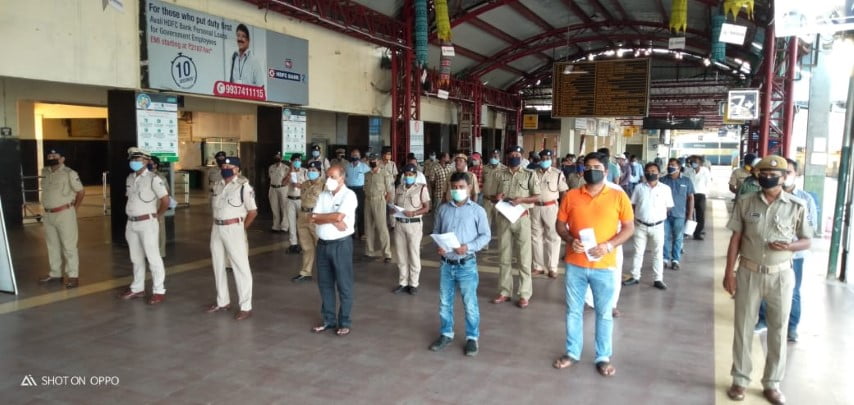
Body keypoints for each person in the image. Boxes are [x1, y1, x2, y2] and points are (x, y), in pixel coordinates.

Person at [723, 155, 812, 405]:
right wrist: (729, 272)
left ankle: (772, 383)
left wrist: (791, 245)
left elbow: (807, 239)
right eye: (762, 173)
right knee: (743, 328)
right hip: (749, 272)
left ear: (784, 178)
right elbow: (735, 239)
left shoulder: (797, 205)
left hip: (781, 275)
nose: (766, 176)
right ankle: (740, 380)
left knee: (778, 329)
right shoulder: (745, 202)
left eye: (772, 174)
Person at [554, 151, 634, 377]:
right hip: (575, 263)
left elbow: (629, 228)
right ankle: (572, 352)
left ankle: (602, 357)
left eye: (597, 167)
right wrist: (570, 239)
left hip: (605, 265)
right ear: (582, 170)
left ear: (606, 171)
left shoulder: (618, 196)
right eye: (588, 167)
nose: (592, 171)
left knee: (604, 313)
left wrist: (609, 246)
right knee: (573, 311)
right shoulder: (571, 196)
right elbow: (560, 226)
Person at [755, 158, 818, 343]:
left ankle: (791, 326)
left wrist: (789, 245)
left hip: (794, 256)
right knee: (764, 289)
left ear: (793, 175)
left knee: (793, 292)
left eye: (788, 172)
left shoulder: (805, 200)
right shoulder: (762, 196)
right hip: (767, 254)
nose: (771, 177)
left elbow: (810, 232)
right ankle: (763, 320)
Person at [428, 172, 491, 357]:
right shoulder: (443, 209)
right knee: (444, 302)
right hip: (446, 264)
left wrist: (469, 247)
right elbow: (436, 231)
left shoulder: (477, 211)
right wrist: (439, 245)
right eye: (454, 187)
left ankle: (472, 337)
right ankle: (446, 333)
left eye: (461, 187)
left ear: (469, 188)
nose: (457, 191)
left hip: (466, 264)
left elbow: (486, 235)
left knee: (470, 303)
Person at [484, 145, 541, 308]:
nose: (514, 156)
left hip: (522, 218)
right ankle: (504, 292)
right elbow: (490, 196)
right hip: (504, 218)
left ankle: (524, 294)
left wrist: (521, 200)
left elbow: (536, 197)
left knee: (524, 258)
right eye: (511, 154)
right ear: (507, 157)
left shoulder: (530, 174)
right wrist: (497, 197)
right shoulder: (498, 174)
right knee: (504, 257)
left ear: (522, 157)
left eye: (517, 154)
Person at [206, 157, 258, 321]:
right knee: (218, 264)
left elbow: (252, 211)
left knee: (240, 266)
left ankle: (245, 306)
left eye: (230, 166)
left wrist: (241, 229)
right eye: (224, 165)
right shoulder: (217, 185)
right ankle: (222, 301)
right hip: (217, 228)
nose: (226, 168)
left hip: (234, 228)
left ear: (238, 170)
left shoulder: (244, 187)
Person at [310, 166, 358, 337]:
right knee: (325, 284)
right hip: (322, 245)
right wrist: (332, 218)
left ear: (342, 178)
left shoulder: (349, 195)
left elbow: (339, 218)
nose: (329, 179)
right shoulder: (323, 195)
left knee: (344, 284)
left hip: (341, 245)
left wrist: (327, 218)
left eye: (333, 176)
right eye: (327, 176)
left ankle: (344, 321)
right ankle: (328, 320)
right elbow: (313, 217)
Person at [119, 147, 170, 305]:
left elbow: (165, 201)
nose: (135, 162)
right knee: (136, 257)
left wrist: (157, 215)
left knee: (153, 257)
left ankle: (158, 290)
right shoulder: (130, 178)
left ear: (147, 161)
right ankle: (137, 287)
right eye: (133, 160)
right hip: (131, 222)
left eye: (139, 159)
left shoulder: (154, 178)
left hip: (147, 222)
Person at [38, 148, 85, 289]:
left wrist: (75, 208)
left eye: (55, 155)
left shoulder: (70, 173)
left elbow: (81, 191)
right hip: (48, 214)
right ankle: (55, 273)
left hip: (65, 213)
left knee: (69, 246)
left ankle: (73, 276)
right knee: (52, 245)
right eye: (50, 155)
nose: (51, 157)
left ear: (62, 159)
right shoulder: (45, 171)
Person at [622, 163, 673, 290]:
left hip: (658, 227)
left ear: (659, 173)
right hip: (640, 225)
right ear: (644, 172)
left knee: (657, 253)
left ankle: (658, 279)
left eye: (653, 170)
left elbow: (669, 206)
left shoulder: (665, 189)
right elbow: (632, 205)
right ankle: (635, 276)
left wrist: (656, 216)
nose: (650, 173)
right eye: (648, 171)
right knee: (638, 252)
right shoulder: (639, 188)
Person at [392, 164, 431, 295]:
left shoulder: (421, 189)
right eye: (406, 174)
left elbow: (426, 207)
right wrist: (394, 209)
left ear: (415, 176)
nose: (408, 177)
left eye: (411, 175)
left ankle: (413, 283)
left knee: (413, 254)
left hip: (414, 224)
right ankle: (403, 282)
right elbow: (396, 205)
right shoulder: (399, 188)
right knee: (401, 255)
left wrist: (414, 213)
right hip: (399, 224)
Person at [531, 149, 569, 279]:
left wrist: (563, 210)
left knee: (553, 237)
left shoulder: (557, 174)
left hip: (551, 207)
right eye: (543, 158)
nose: (545, 160)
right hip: (535, 207)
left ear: (552, 159)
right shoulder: (532, 173)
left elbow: (564, 192)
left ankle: (552, 267)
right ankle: (538, 266)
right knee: (535, 237)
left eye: (548, 158)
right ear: (539, 159)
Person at [292, 160, 326, 283]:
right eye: (310, 170)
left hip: (316, 217)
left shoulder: (324, 185)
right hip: (302, 215)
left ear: (319, 172)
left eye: (314, 171)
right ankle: (306, 272)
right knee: (306, 246)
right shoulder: (305, 184)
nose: (311, 172)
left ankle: (326, 273)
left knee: (321, 246)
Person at [660, 158, 694, 270]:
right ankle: (665, 258)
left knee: (678, 238)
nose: (670, 166)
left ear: (679, 167)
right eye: (669, 164)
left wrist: (690, 216)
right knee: (664, 237)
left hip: (679, 214)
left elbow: (690, 198)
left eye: (673, 165)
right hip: (664, 214)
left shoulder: (686, 181)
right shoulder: (662, 180)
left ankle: (675, 259)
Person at [364, 154, 394, 263]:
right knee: (368, 227)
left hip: (379, 201)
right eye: (370, 160)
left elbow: (389, 191)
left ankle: (387, 253)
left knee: (382, 227)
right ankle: (369, 251)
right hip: (368, 201)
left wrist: (383, 202)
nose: (372, 162)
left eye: (374, 160)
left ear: (379, 161)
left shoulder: (384, 173)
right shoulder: (367, 175)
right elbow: (365, 188)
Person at [481, 149, 505, 246]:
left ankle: (502, 244)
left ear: (499, 157)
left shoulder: (504, 169)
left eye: (495, 157)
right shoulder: (485, 168)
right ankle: (485, 244)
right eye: (492, 157)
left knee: (501, 224)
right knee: (485, 223)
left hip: (499, 202)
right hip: (487, 200)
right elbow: (483, 181)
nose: (493, 158)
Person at [344, 149, 370, 240]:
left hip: (360, 190)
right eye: (353, 154)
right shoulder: (347, 166)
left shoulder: (364, 167)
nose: (355, 156)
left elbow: (369, 179)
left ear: (359, 156)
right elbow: (344, 178)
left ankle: (361, 233)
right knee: (350, 212)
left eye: (357, 155)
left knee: (361, 211)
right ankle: (351, 232)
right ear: (351, 156)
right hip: (349, 190)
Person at [684, 155, 711, 240]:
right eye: (691, 161)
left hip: (701, 195)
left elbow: (708, 183)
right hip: (690, 195)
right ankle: (687, 232)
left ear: (700, 163)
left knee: (700, 215)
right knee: (689, 214)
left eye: (695, 161)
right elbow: (685, 183)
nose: (693, 163)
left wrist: (706, 194)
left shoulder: (705, 171)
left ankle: (697, 233)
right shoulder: (688, 171)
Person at [149, 156, 170, 258]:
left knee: (160, 229)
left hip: (158, 204)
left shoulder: (161, 177)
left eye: (151, 163)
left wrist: (161, 210)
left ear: (156, 165)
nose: (148, 164)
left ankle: (160, 253)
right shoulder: (144, 175)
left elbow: (166, 194)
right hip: (147, 206)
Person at [285, 154, 306, 253]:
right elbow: (283, 183)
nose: (297, 162)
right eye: (295, 160)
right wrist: (289, 174)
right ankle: (293, 244)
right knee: (291, 222)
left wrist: (299, 185)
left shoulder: (305, 171)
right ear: (292, 161)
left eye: (299, 160)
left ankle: (304, 244)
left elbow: (309, 186)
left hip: (301, 200)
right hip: (290, 200)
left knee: (301, 223)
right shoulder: (288, 171)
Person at [268, 152, 289, 233]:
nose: (277, 157)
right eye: (275, 156)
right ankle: (276, 226)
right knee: (274, 207)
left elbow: (287, 179)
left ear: (281, 157)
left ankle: (284, 226)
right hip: (272, 188)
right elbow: (270, 177)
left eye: (278, 156)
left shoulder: (285, 168)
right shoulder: (271, 167)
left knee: (284, 207)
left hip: (283, 188)